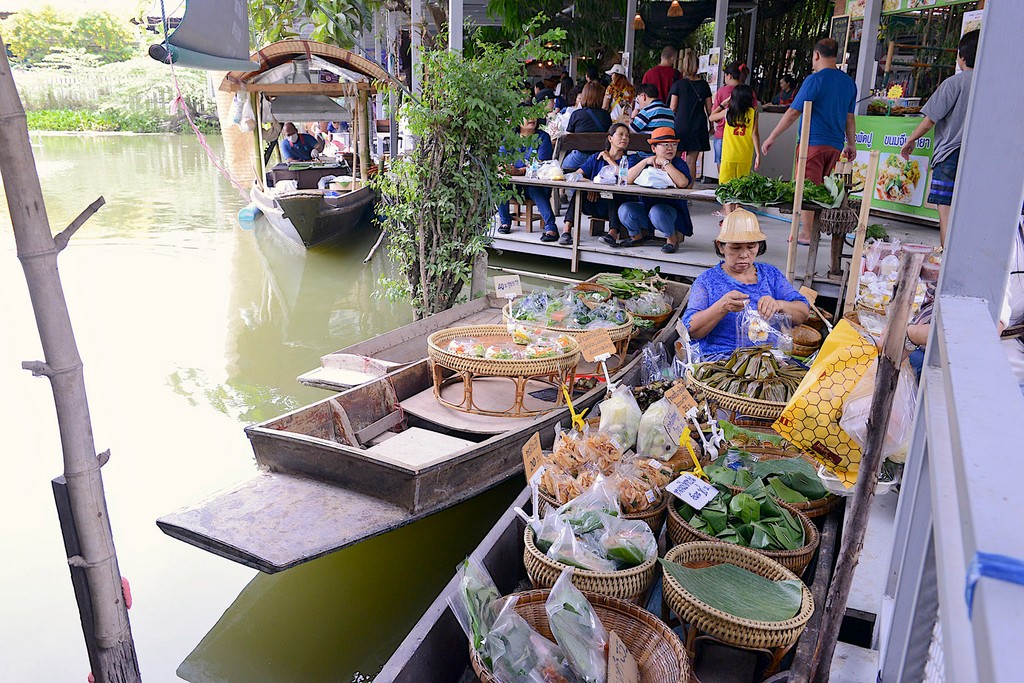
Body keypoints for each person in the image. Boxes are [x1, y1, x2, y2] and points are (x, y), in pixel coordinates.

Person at [762, 39, 857, 245]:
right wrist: (852, 143)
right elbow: (850, 117)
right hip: (835, 146)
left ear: (816, 55)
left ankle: (807, 233)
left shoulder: (814, 80)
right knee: (820, 188)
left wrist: (772, 136)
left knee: (806, 189)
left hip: (812, 143)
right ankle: (813, 230)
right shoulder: (848, 82)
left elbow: (793, 112)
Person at [682, 209, 810, 358]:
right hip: (722, 359)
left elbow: (803, 312)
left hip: (767, 358)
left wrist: (779, 304)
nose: (744, 255)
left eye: (751, 247)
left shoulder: (770, 275)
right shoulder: (707, 281)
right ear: (721, 246)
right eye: (736, 248)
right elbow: (690, 329)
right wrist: (722, 306)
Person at [899, 29, 979, 247]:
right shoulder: (992, 85)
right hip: (979, 158)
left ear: (962, 57)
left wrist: (910, 140)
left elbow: (930, 120)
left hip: (950, 155)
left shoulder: (954, 83)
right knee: (973, 212)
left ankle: (947, 260)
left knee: (947, 212)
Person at [558, 123, 637, 246]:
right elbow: (576, 175)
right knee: (579, 192)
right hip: (593, 202)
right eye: (621, 134)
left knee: (613, 193)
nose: (624, 138)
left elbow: (624, 177)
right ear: (610, 138)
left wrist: (608, 159)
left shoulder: (630, 160)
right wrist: (593, 186)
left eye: (627, 136)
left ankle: (612, 234)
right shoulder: (596, 157)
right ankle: (566, 231)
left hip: (615, 207)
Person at [617, 127, 693, 253]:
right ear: (653, 148)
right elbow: (626, 179)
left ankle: (672, 240)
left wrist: (665, 163)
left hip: (671, 213)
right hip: (646, 210)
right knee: (625, 209)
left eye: (673, 144)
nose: (670, 148)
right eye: (665, 145)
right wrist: (646, 161)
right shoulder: (648, 162)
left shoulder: (678, 163)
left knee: (657, 211)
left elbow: (682, 183)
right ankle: (637, 237)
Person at [496, 116, 560, 242]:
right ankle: (505, 221)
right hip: (513, 185)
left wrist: (520, 171)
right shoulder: (510, 137)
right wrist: (503, 167)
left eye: (534, 114)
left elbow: (541, 164)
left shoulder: (543, 137)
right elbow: (500, 160)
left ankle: (551, 227)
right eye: (526, 114)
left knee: (533, 187)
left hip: (535, 184)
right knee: (498, 184)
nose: (532, 118)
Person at [709, 84, 760, 213]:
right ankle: (737, 215)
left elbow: (711, 116)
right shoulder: (753, 113)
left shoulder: (728, 111)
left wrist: (723, 103)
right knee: (741, 187)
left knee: (726, 187)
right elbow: (755, 134)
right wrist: (758, 154)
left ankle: (728, 216)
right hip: (745, 155)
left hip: (728, 155)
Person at [669, 48, 713, 175]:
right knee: (691, 161)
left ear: (683, 65)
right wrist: (711, 126)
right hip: (698, 126)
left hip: (680, 125)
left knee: (675, 158)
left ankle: (676, 183)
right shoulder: (704, 85)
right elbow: (709, 109)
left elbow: (673, 108)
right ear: (698, 66)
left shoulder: (678, 85)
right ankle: (689, 185)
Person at [710, 63, 757, 167]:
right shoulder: (749, 92)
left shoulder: (722, 91)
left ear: (729, 76)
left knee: (723, 168)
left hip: (722, 135)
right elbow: (754, 114)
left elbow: (713, 117)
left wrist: (723, 105)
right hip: (742, 136)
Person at [564, 81, 613, 171]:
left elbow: (568, 138)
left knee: (562, 165)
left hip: (579, 158)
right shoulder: (606, 115)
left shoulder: (576, 114)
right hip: (599, 158)